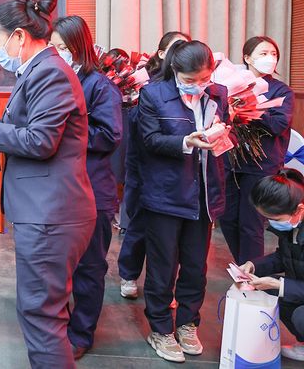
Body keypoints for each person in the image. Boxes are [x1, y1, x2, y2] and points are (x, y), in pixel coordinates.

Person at [0, 0, 96, 367]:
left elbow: (41, 140)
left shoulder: (49, 72)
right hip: (45, 210)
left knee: (41, 316)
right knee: (42, 311)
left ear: (18, 36)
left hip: (51, 213)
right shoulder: (36, 70)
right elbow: (28, 129)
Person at [137, 40, 230, 362]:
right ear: (175, 70)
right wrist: (186, 141)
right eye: (191, 80)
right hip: (166, 193)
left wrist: (221, 134)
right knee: (162, 266)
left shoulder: (219, 94)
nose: (199, 85)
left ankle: (188, 323)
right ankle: (161, 328)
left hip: (204, 193)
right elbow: (149, 140)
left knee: (195, 266)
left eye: (205, 78)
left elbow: (225, 132)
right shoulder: (153, 95)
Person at [50, 15, 123, 360]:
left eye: (64, 47)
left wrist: (64, 132)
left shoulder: (99, 86)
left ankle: (82, 333)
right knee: (60, 265)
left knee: (90, 266)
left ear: (80, 47)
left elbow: (109, 136)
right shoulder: (56, 81)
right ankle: (61, 324)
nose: (58, 53)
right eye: (54, 47)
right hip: (62, 189)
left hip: (93, 190)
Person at [118, 31, 190, 300]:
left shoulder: (192, 87)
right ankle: (129, 273)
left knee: (171, 238)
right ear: (162, 54)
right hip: (145, 165)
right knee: (139, 224)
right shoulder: (148, 86)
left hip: (178, 170)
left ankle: (165, 287)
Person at [221, 36, 294, 264]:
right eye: (263, 53)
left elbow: (278, 125)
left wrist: (253, 107)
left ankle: (250, 273)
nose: (270, 58)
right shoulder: (229, 86)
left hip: (262, 164)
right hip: (231, 161)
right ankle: (245, 266)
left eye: (273, 54)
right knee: (227, 218)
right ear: (247, 58)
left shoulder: (281, 90)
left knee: (250, 223)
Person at [240, 168, 304, 362]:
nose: (271, 223)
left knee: (300, 314)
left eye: (275, 219)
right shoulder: (293, 226)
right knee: (271, 290)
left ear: (299, 209)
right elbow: (283, 257)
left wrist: (280, 285)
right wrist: (253, 265)